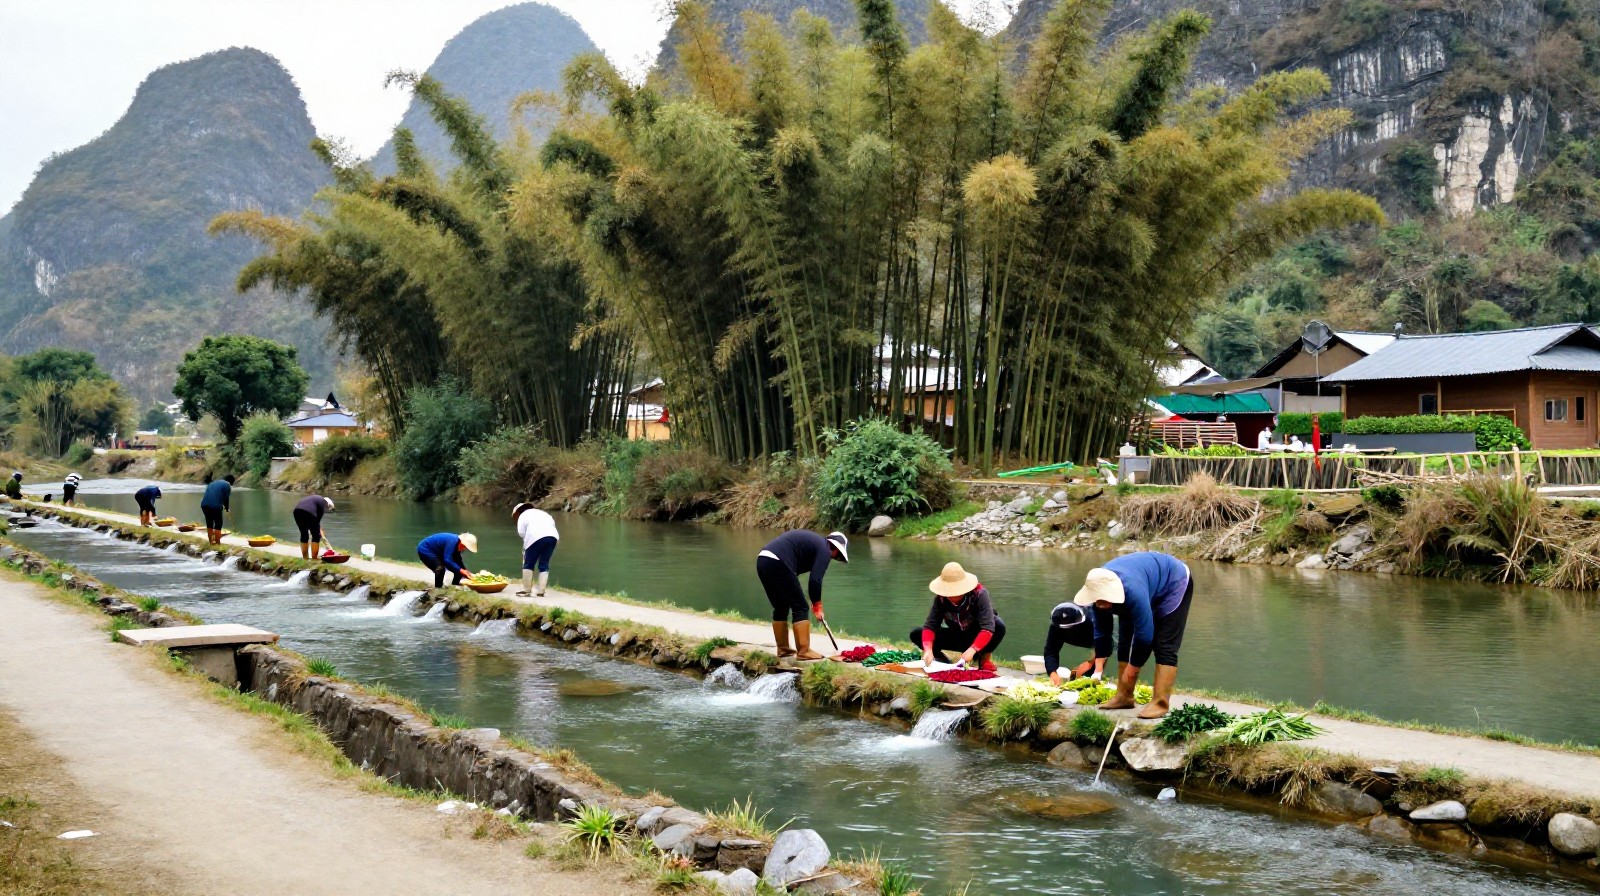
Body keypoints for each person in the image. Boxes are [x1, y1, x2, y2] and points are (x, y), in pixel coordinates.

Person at [1073, 550, 1193, 719]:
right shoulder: (1097, 587)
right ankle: (1124, 696)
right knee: (1124, 639)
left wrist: (1133, 668)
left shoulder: (1133, 592)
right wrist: (1097, 665)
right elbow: (1102, 632)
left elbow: (1145, 636)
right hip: (1143, 582)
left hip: (1173, 582)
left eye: (1105, 601)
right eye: (1098, 601)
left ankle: (1160, 703)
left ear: (1113, 594)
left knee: (1164, 645)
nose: (1101, 605)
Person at [756, 530, 848, 660]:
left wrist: (811, 598)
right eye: (837, 556)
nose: (834, 558)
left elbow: (794, 575)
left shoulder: (814, 544)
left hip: (763, 560)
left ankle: (783, 649)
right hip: (778, 560)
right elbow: (815, 580)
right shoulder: (825, 549)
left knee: (781, 606)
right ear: (836, 549)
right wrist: (817, 605)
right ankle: (803, 651)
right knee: (801, 607)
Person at [914, 562, 1004, 673]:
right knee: (916, 634)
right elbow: (930, 625)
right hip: (957, 635)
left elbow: (987, 628)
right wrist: (928, 649)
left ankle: (984, 659)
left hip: (976, 636)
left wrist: (972, 650)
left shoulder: (980, 594)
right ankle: (939, 658)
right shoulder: (941, 599)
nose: (951, 595)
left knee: (999, 626)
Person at [1042, 602, 1102, 686]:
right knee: (1083, 677)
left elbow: (1106, 644)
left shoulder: (1093, 621)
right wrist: (1052, 672)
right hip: (1085, 639)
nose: (1067, 630)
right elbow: (1051, 651)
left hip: (1099, 639)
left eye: (1070, 627)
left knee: (1092, 673)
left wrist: (1091, 662)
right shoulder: (1056, 627)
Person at [512, 502, 558, 596]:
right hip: (552, 537)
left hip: (535, 537)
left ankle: (526, 590)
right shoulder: (543, 514)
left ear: (518, 512)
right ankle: (541, 590)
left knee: (529, 563)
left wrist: (526, 546)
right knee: (544, 564)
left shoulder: (523, 516)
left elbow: (521, 532)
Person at [293, 493, 334, 559]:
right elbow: (316, 523)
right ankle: (314, 558)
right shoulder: (322, 503)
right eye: (327, 508)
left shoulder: (316, 498)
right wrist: (319, 532)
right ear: (327, 504)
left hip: (297, 511)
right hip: (309, 512)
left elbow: (314, 523)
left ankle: (305, 558)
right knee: (316, 536)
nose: (326, 509)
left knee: (304, 534)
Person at [199, 475, 235, 545]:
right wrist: (227, 508)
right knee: (218, 524)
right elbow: (226, 499)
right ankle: (217, 543)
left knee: (209, 523)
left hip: (204, 505)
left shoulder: (213, 483)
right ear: (231, 482)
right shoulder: (227, 485)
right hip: (215, 505)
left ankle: (211, 543)